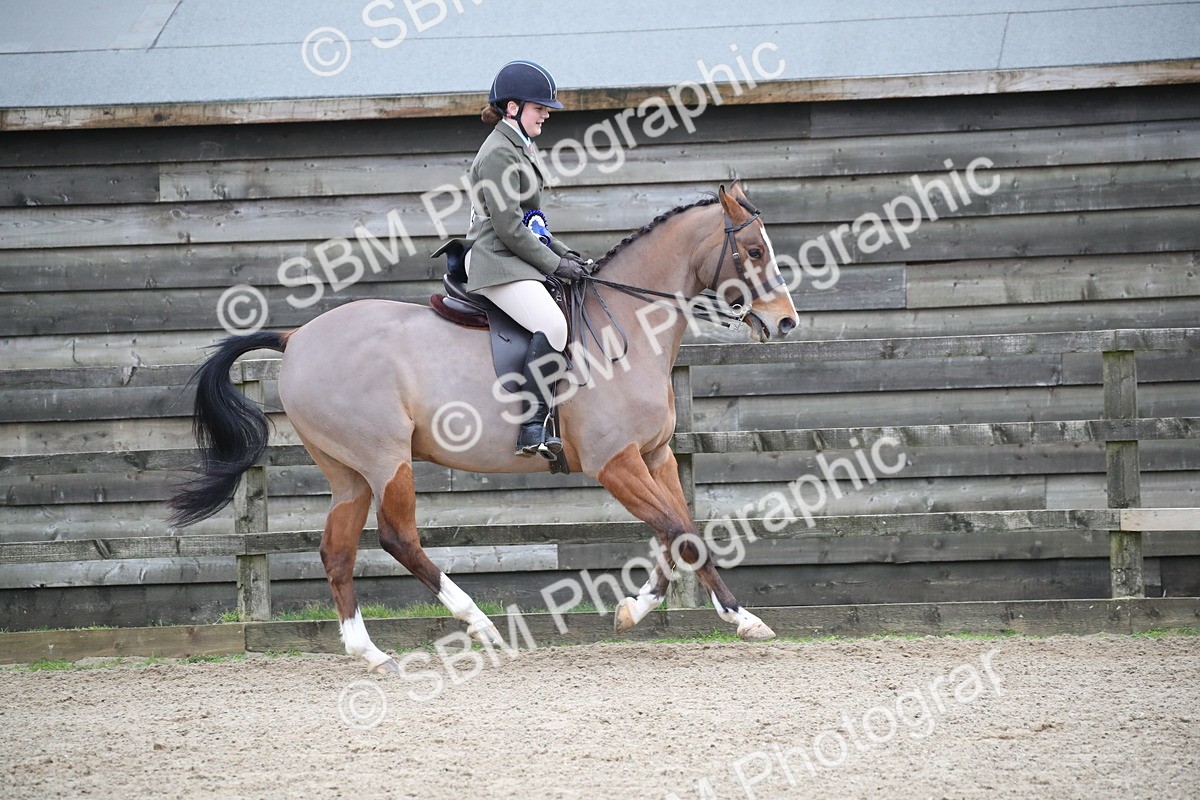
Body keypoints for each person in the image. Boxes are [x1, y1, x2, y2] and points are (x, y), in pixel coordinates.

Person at [459, 60, 591, 459]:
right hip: (495, 258)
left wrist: (565, 253)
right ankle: (531, 426)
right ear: (513, 107)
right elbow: (509, 229)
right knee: (552, 323)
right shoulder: (499, 152)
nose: (547, 114)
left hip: (512, 253)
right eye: (540, 107)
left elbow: (531, 223)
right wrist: (553, 266)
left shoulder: (519, 145)